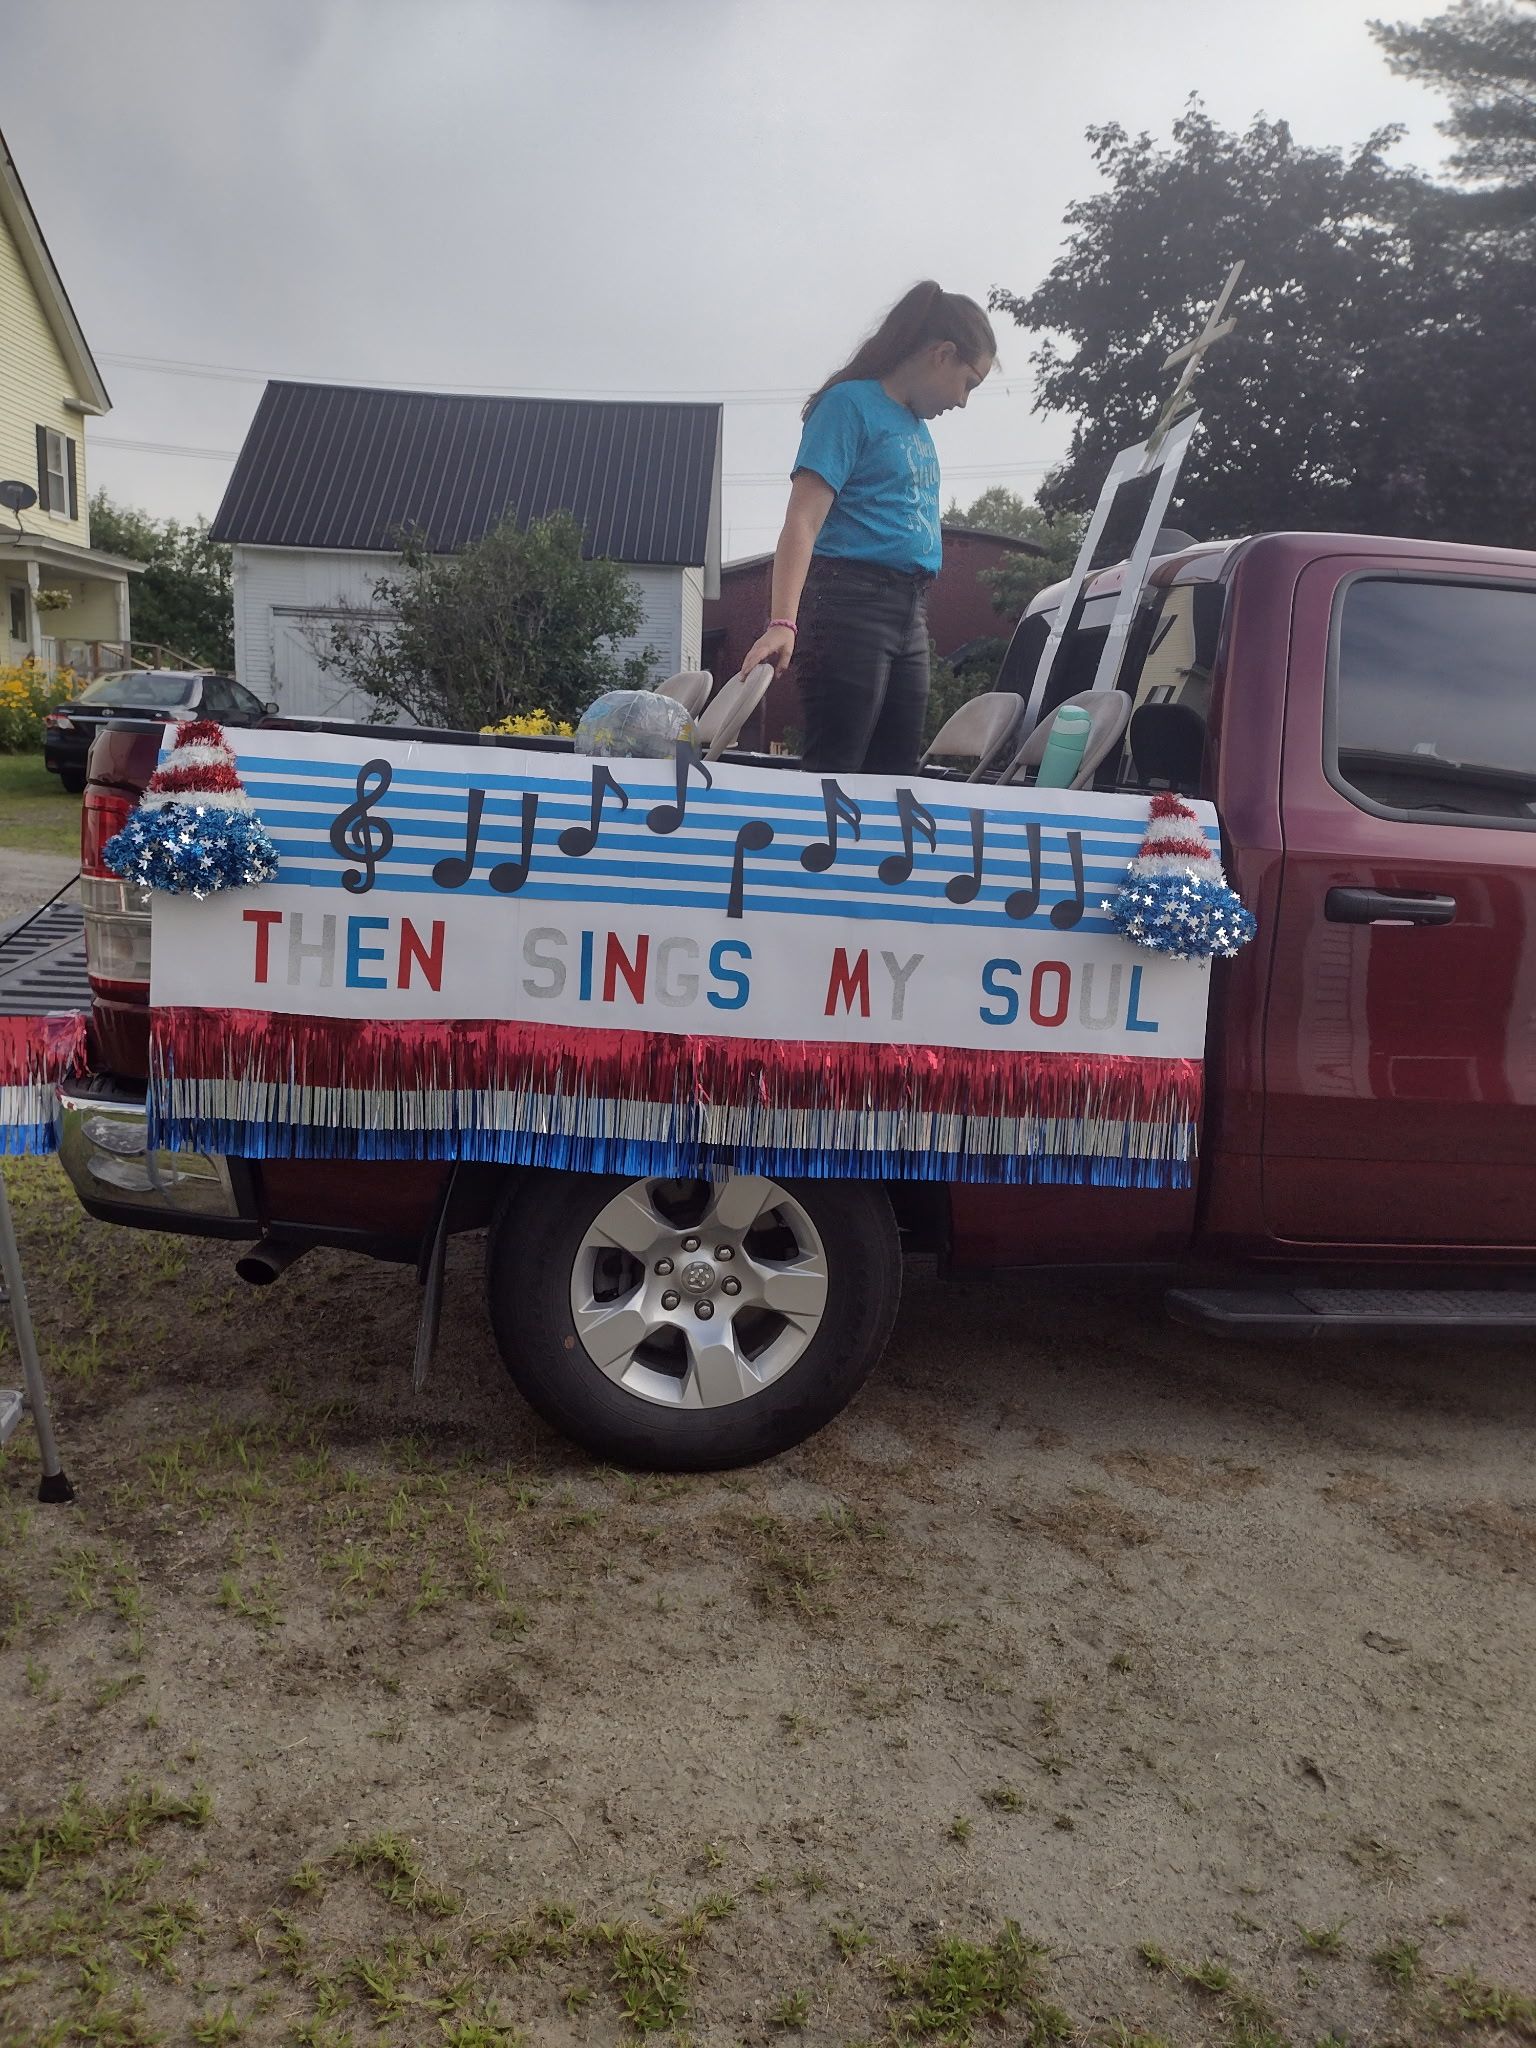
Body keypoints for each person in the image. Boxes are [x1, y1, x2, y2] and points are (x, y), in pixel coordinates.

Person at [739, 282, 996, 775]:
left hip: (910, 611)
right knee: (837, 767)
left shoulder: (917, 429)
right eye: (969, 382)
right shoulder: (848, 406)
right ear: (943, 354)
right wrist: (781, 623)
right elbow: (802, 519)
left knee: (896, 774)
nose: (963, 402)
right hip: (849, 605)